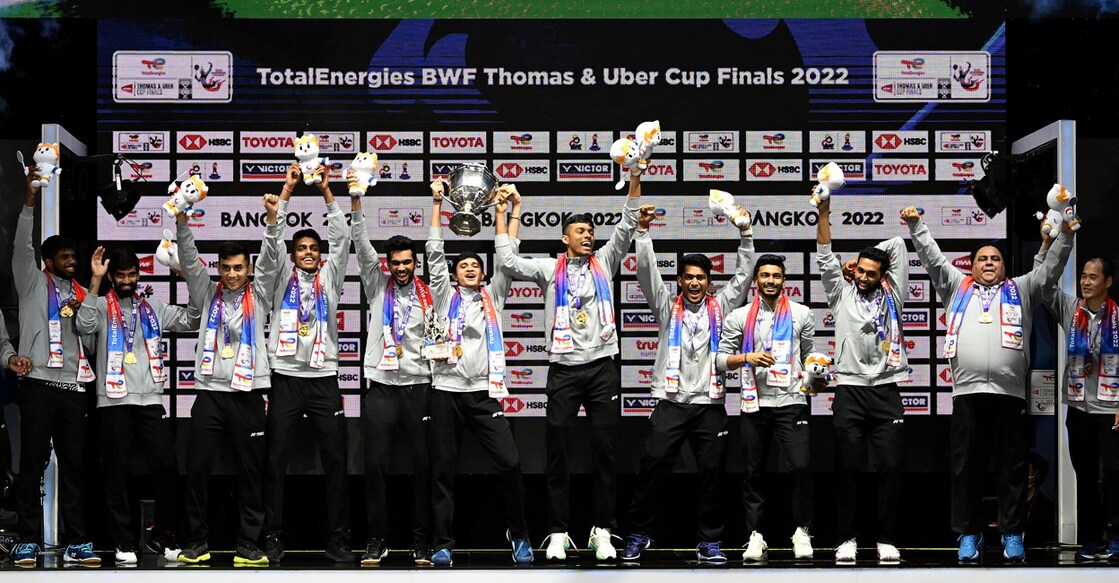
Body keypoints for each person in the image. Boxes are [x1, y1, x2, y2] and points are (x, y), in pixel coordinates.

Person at [902, 205, 1073, 562]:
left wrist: (1066, 237)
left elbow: (1050, 271)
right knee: (967, 470)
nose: (990, 263)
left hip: (1010, 396)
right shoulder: (955, 287)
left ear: (1004, 265)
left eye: (995, 258)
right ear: (972, 264)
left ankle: (1012, 534)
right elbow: (933, 260)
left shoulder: (1023, 289)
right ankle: (969, 535)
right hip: (967, 395)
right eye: (983, 259)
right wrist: (917, 224)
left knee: (1011, 468)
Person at [495, 173, 643, 561]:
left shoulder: (605, 261)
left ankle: (602, 530)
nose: (588, 235)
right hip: (563, 369)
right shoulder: (548, 269)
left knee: (605, 451)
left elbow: (627, 224)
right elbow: (507, 260)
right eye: (580, 231)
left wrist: (636, 176)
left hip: (601, 368)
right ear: (565, 238)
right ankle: (558, 530)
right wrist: (512, 210)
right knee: (557, 449)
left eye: (590, 230)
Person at [618, 203, 755, 564]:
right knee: (651, 471)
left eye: (701, 277)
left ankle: (710, 541)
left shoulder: (723, 307)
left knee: (712, 478)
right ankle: (638, 534)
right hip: (672, 402)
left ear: (709, 281)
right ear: (680, 280)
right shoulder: (666, 307)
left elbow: (743, 276)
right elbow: (646, 274)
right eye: (689, 277)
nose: (695, 282)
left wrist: (746, 234)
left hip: (710, 406)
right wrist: (642, 233)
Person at [175, 193, 282, 565]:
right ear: (218, 268)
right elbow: (188, 261)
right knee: (197, 469)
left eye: (238, 267)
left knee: (252, 473)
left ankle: (248, 542)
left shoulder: (263, 292)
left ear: (247, 268)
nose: (232, 274)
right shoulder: (207, 292)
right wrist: (182, 222)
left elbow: (271, 260)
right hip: (210, 394)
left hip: (249, 394)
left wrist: (272, 221)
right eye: (226, 267)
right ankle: (197, 541)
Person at [75, 246, 199, 564]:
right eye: (121, 275)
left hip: (150, 401)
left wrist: (187, 276)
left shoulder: (153, 306)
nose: (127, 280)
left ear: (139, 275)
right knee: (115, 474)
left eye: (132, 275)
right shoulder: (101, 305)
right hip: (113, 402)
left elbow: (193, 318)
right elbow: (84, 326)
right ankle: (123, 542)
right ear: (112, 277)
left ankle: (163, 536)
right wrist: (94, 281)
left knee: (168, 467)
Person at [428, 182, 530, 566]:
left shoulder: (495, 295)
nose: (470, 268)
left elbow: (508, 256)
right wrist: (437, 204)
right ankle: (442, 543)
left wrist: (506, 213)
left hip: (485, 393)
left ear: (483, 274)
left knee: (511, 463)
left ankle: (518, 534)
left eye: (475, 266)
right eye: (463, 266)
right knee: (442, 470)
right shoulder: (442, 295)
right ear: (454, 275)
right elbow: (434, 253)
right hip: (446, 390)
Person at [261, 163, 353, 563]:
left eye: (314, 248)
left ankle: (339, 536)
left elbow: (343, 236)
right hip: (285, 377)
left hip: (323, 379)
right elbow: (270, 246)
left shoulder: (331, 277)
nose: (309, 253)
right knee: (275, 458)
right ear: (293, 255)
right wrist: (286, 192)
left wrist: (327, 191)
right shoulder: (280, 276)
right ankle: (271, 534)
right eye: (302, 249)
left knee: (335, 460)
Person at [10, 169, 100, 566]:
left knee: (76, 466)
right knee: (31, 462)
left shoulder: (83, 292)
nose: (70, 262)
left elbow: (94, 343)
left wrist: (86, 309)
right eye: (63, 258)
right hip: (39, 384)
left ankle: (78, 540)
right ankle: (27, 538)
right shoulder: (31, 281)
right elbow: (20, 247)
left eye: (73, 258)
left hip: (74, 388)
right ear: (47, 261)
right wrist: (29, 199)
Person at [815, 196, 909, 563]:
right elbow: (825, 255)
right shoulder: (840, 293)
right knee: (848, 468)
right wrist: (824, 213)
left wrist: (870, 255)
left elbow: (899, 245)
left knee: (890, 468)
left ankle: (886, 538)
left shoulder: (895, 293)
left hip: (887, 390)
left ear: (883, 275)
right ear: (853, 271)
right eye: (861, 271)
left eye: (872, 273)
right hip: (850, 390)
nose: (865, 277)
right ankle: (847, 538)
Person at [350, 186, 435, 566]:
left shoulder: (430, 294)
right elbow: (360, 242)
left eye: (408, 262)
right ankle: (376, 540)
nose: (401, 268)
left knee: (423, 467)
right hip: (382, 388)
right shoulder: (375, 286)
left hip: (419, 388)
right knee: (376, 468)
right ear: (388, 264)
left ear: (416, 263)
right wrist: (355, 201)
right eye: (395, 263)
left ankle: (421, 542)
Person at [719, 253, 823, 562]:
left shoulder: (802, 314)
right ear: (755, 281)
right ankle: (756, 535)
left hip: (791, 402)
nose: (770, 281)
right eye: (764, 276)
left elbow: (808, 356)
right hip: (754, 403)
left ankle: (802, 530)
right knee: (753, 472)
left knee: (801, 466)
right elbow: (721, 359)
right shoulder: (738, 317)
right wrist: (747, 357)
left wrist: (816, 375)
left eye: (776, 276)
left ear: (783, 280)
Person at [1035, 231, 1117, 559]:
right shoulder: (1071, 309)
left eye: (1093, 277)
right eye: (1082, 275)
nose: (1085, 281)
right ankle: (1090, 539)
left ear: (1107, 282)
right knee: (1084, 476)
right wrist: (1047, 246)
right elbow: (1042, 284)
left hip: (1112, 409)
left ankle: (1116, 536)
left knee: (1115, 476)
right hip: (1079, 408)